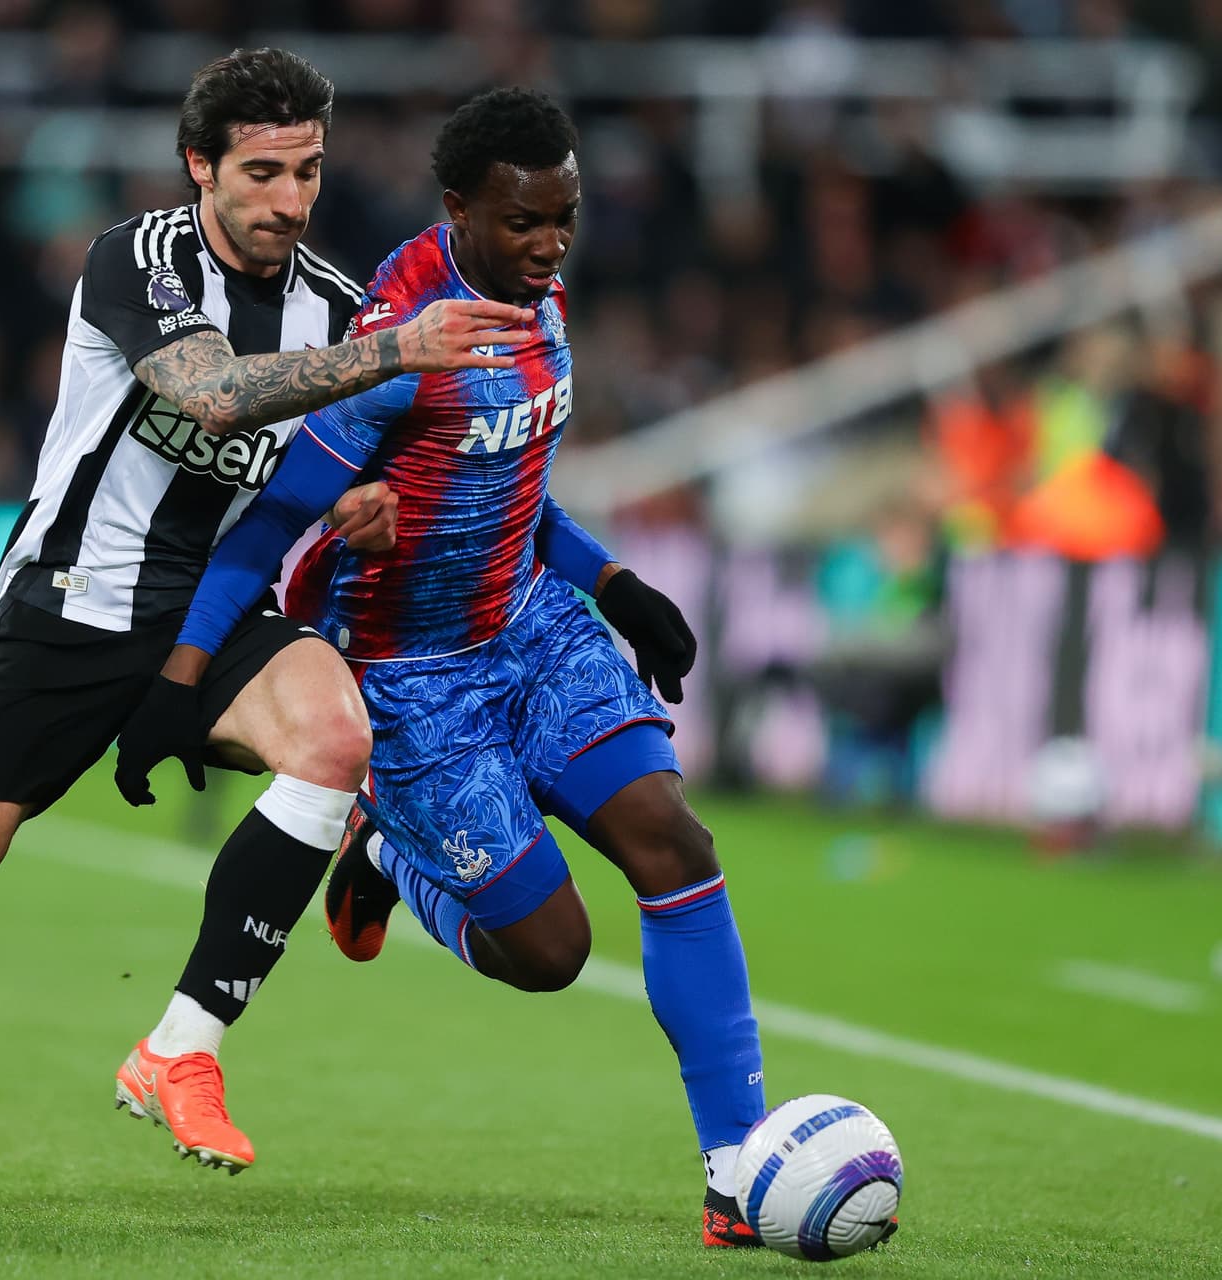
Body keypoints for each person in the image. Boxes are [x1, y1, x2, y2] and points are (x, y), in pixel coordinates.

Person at [0, 48, 534, 1215]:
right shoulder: (138, 259)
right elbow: (214, 396)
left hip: (211, 616)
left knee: (333, 735)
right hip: (67, 610)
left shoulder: (334, 302)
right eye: (263, 172)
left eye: (309, 171)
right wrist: (399, 349)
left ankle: (182, 1043)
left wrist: (354, 505)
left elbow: (313, 467)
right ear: (200, 166)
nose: (290, 199)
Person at [114, 88, 782, 1249]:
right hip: (412, 677)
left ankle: (738, 1167)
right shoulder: (393, 343)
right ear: (459, 207)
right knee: (552, 954)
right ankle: (382, 851)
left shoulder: (538, 296)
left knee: (674, 842)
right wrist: (180, 680)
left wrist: (614, 583)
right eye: (525, 221)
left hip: (530, 628)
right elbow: (267, 532)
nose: (551, 243)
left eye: (565, 216)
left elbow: (509, 484)